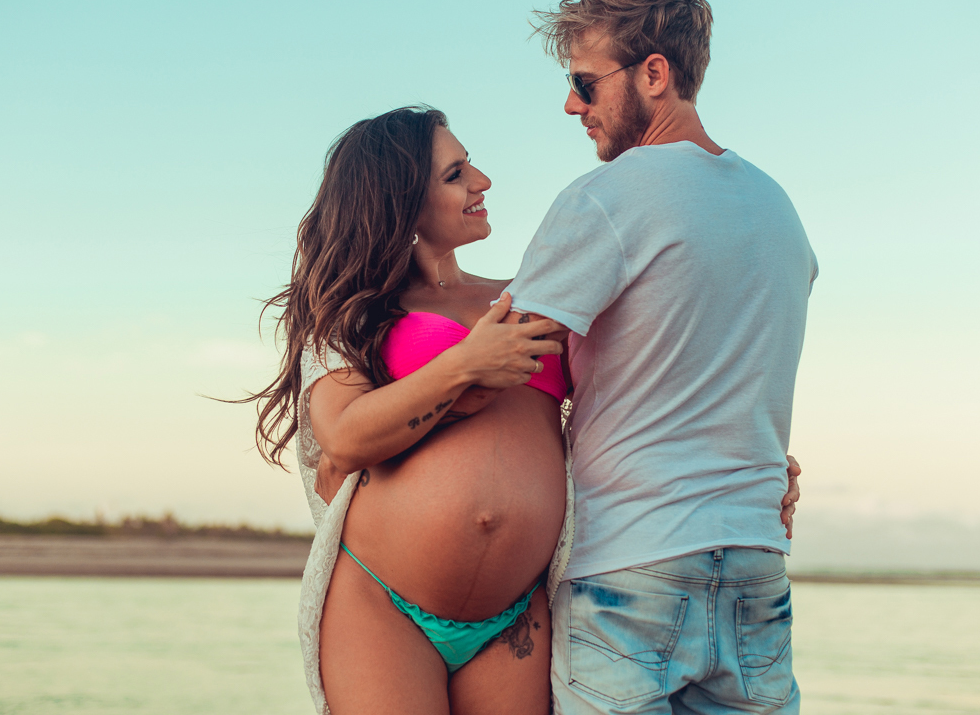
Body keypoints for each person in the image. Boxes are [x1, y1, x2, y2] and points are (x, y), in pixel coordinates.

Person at [247, 106, 802, 715]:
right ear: (400, 201)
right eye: (456, 174)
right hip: (382, 603)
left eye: (470, 166)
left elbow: (647, 389)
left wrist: (747, 462)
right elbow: (344, 437)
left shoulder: (531, 299)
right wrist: (465, 364)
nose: (482, 181)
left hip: (516, 612)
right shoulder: (354, 312)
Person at [502, 0, 818, 714]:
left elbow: (501, 363)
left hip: (631, 562)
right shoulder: (779, 210)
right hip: (756, 564)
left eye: (585, 83)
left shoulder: (608, 197)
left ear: (654, 73)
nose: (572, 105)